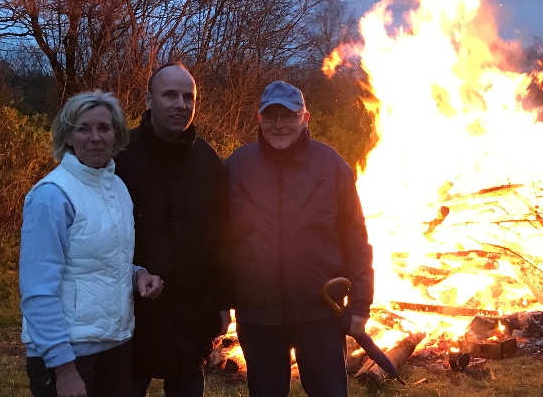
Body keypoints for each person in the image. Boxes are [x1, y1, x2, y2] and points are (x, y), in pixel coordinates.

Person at [225, 80, 375, 397]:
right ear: (260, 119)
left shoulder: (331, 165)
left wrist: (361, 303)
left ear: (304, 118)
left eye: (288, 116)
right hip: (258, 316)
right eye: (272, 116)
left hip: (320, 313)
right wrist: (222, 301)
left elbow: (355, 238)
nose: (280, 125)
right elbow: (220, 240)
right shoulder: (237, 167)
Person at [19, 90, 164, 397]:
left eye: (104, 128)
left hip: (115, 345)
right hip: (68, 356)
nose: (95, 137)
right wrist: (64, 369)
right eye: (83, 128)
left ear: (116, 135)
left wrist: (138, 274)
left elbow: (101, 258)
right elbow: (37, 290)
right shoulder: (51, 196)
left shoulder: (116, 186)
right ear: (68, 136)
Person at [114, 62, 233, 396]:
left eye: (188, 97)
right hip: (131, 314)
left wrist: (223, 304)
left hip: (191, 317)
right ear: (149, 100)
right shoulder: (120, 157)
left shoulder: (208, 162)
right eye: (170, 95)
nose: (181, 105)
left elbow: (222, 237)